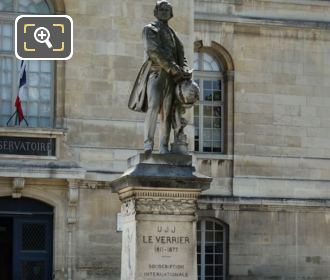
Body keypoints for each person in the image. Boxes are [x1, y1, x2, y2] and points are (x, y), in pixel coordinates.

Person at [128, 0, 191, 154]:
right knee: (154, 106)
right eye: (161, 9)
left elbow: (181, 56)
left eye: (167, 9)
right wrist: (173, 68)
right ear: (156, 12)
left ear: (171, 14)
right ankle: (148, 144)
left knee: (167, 112)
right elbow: (153, 52)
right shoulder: (149, 29)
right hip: (156, 74)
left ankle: (163, 146)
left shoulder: (174, 35)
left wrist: (184, 70)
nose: (164, 12)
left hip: (171, 78)